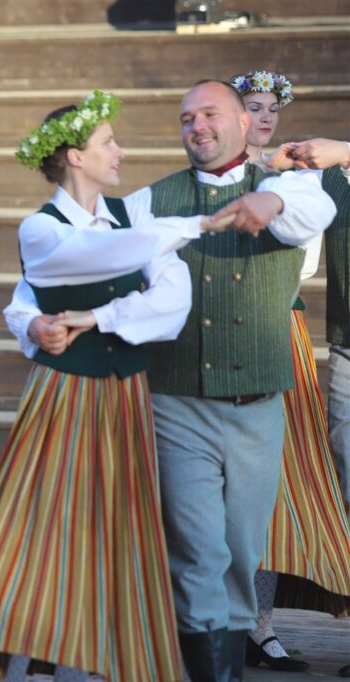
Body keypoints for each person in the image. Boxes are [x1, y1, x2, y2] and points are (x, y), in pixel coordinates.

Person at [3, 80, 336, 681]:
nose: (197, 126)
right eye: (186, 118)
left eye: (209, 114)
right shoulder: (145, 203)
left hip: (259, 404)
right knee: (199, 550)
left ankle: (224, 652)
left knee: (242, 551)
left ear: (242, 122)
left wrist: (272, 201)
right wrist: (32, 322)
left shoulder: (291, 186)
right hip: (175, 402)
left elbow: (314, 213)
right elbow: (49, 278)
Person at [0, 91, 225, 682]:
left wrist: (97, 318)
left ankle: (110, 655)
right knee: (49, 519)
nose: (120, 151)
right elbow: (63, 272)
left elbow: (172, 303)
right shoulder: (42, 228)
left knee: (119, 522)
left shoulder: (134, 219)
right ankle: (37, 649)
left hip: (124, 391)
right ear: (76, 156)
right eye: (108, 142)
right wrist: (33, 324)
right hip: (65, 393)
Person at [229, 70, 350, 673]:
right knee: (225, 481)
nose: (266, 117)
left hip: (280, 326)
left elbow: (302, 262)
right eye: (253, 106)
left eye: (272, 108)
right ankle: (216, 623)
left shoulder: (301, 180)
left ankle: (260, 625)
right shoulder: (210, 177)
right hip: (223, 330)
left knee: (283, 477)